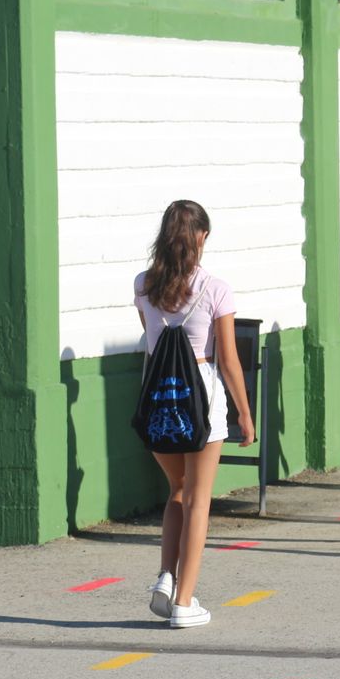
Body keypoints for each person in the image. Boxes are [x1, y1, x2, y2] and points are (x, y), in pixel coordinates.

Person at [133, 200, 255, 630]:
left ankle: (167, 578)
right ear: (200, 236)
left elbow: (151, 344)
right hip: (201, 392)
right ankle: (185, 602)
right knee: (200, 499)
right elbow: (229, 359)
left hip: (158, 396)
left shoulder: (143, 285)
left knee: (177, 491)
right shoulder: (215, 288)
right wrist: (245, 412)